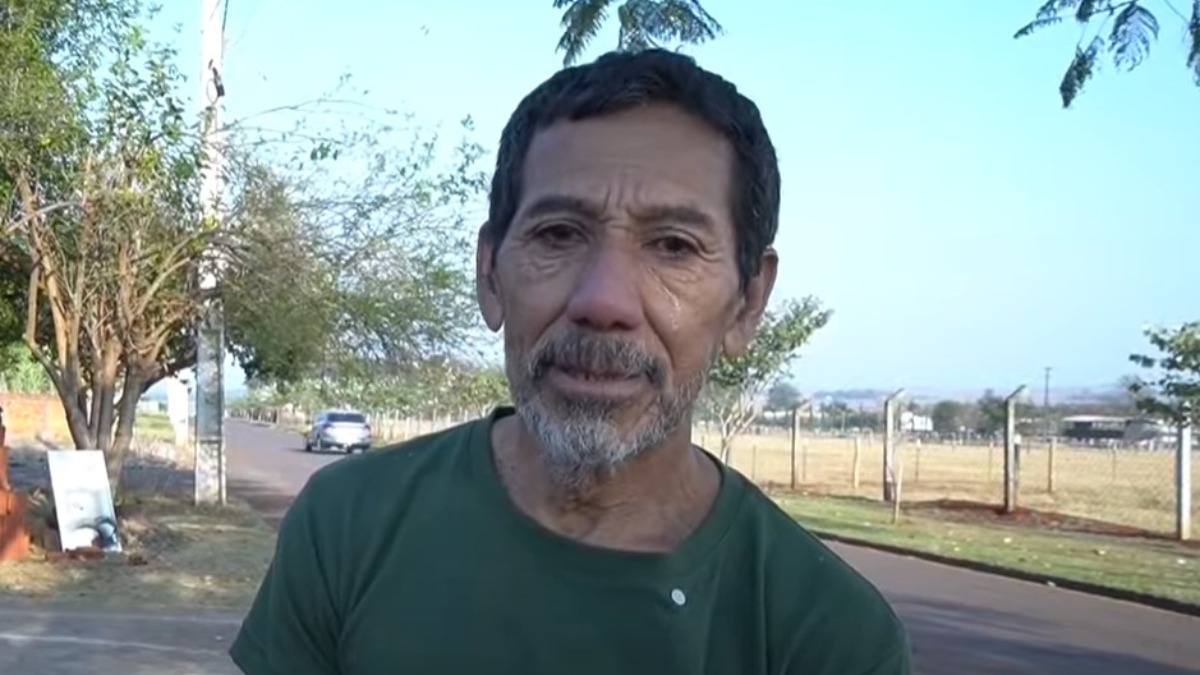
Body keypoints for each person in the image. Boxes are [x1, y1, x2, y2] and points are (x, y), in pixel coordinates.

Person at [229, 49, 911, 675]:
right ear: (490, 273)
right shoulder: (349, 524)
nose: (603, 300)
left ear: (747, 302)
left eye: (673, 246)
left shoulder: (829, 636)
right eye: (558, 234)